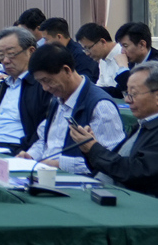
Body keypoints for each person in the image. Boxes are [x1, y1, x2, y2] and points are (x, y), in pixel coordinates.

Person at [67, 62, 158, 198]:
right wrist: (88, 149)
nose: (127, 100)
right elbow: (116, 168)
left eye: (133, 94)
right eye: (127, 93)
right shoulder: (143, 124)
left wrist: (93, 149)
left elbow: (134, 174)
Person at [17, 44, 125, 176]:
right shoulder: (57, 99)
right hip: (47, 174)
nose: (45, 88)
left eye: (47, 80)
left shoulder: (100, 106)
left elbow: (111, 162)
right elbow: (47, 142)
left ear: (67, 70)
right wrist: (31, 156)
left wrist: (59, 164)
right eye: (40, 82)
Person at [0, 28, 55, 153]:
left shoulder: (43, 86)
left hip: (16, 150)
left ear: (31, 51)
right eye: (1, 55)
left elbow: (43, 131)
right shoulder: (3, 86)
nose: (5, 60)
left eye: (11, 54)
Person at [73, 22, 130, 93]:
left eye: (88, 48)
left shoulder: (124, 53)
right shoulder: (102, 59)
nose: (87, 53)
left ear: (102, 42)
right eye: (84, 50)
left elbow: (124, 90)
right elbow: (101, 85)